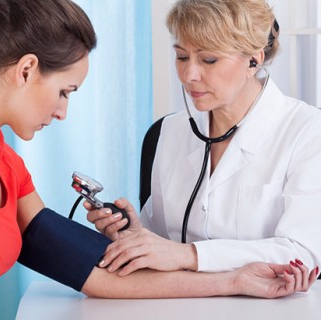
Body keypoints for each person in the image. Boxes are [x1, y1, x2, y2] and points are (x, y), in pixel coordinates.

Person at [0, 0, 317, 319]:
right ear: (26, 70)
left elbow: (86, 270)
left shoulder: (0, 158)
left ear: (253, 60)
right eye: (65, 92)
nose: (64, 113)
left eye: (208, 59)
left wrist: (232, 278)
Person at [87, 0, 321, 279]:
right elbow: (163, 239)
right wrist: (136, 236)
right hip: (178, 302)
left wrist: (191, 255)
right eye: (182, 57)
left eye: (208, 59)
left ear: (253, 60)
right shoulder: (169, 130)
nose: (189, 76)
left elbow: (302, 253)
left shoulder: (308, 132)